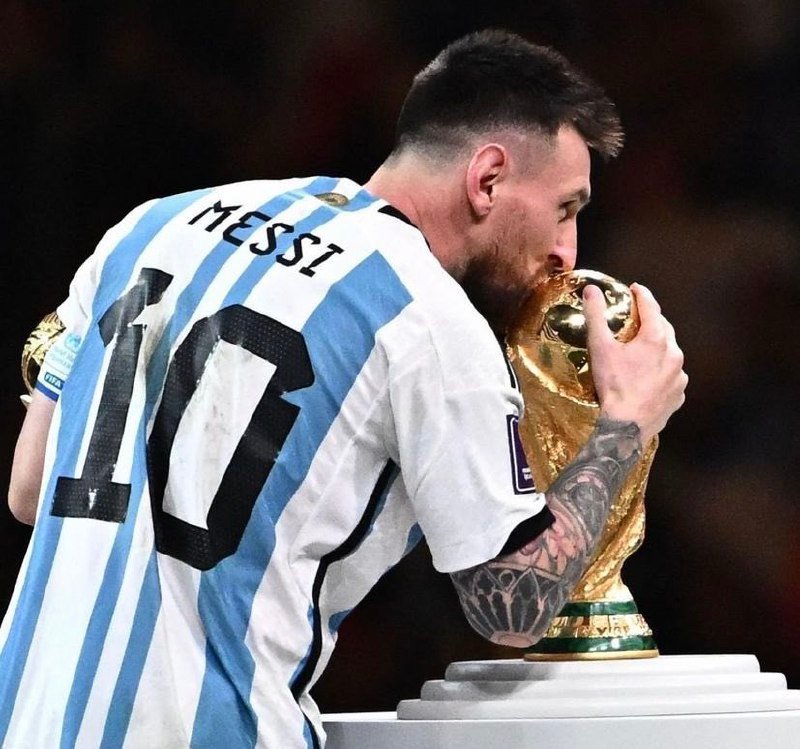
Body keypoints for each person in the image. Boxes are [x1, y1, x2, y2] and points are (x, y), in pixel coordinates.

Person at [1, 29, 686, 749]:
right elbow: (511, 605)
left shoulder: (150, 225)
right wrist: (626, 422)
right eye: (566, 209)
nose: (566, 252)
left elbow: (28, 486)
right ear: (487, 178)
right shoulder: (427, 318)